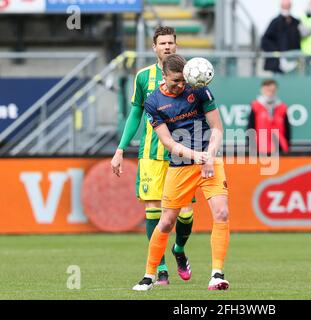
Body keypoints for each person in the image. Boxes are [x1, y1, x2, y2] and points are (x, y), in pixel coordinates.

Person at [132, 54, 230, 291]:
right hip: (181, 165)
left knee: (222, 213)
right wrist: (197, 157)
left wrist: (209, 154)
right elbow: (168, 143)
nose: (180, 85)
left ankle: (217, 274)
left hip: (209, 160)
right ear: (163, 76)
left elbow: (217, 128)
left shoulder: (198, 90)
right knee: (166, 222)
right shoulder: (153, 102)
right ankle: (149, 276)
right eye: (175, 81)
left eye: (182, 81)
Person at [110, 27, 194, 286]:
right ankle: (161, 269)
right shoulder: (144, 77)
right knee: (153, 211)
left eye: (171, 42)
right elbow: (135, 113)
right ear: (154, 47)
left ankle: (179, 249)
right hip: (151, 154)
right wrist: (121, 148)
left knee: (185, 213)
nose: (167, 47)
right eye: (162, 43)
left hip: (183, 153)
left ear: (176, 46)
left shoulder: (191, 74)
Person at [247, 79, 291, 154]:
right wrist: (251, 145)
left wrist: (287, 145)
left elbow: (287, 129)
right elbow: (251, 127)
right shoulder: (255, 106)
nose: (270, 93)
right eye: (268, 90)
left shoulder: (282, 107)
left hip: (279, 147)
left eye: (272, 90)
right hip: (260, 147)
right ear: (262, 90)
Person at [261, 0, 301, 74]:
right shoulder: (275, 22)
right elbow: (265, 40)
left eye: (287, 6)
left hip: (293, 60)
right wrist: (276, 51)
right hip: (278, 62)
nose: (286, 8)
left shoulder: (296, 22)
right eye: (284, 6)